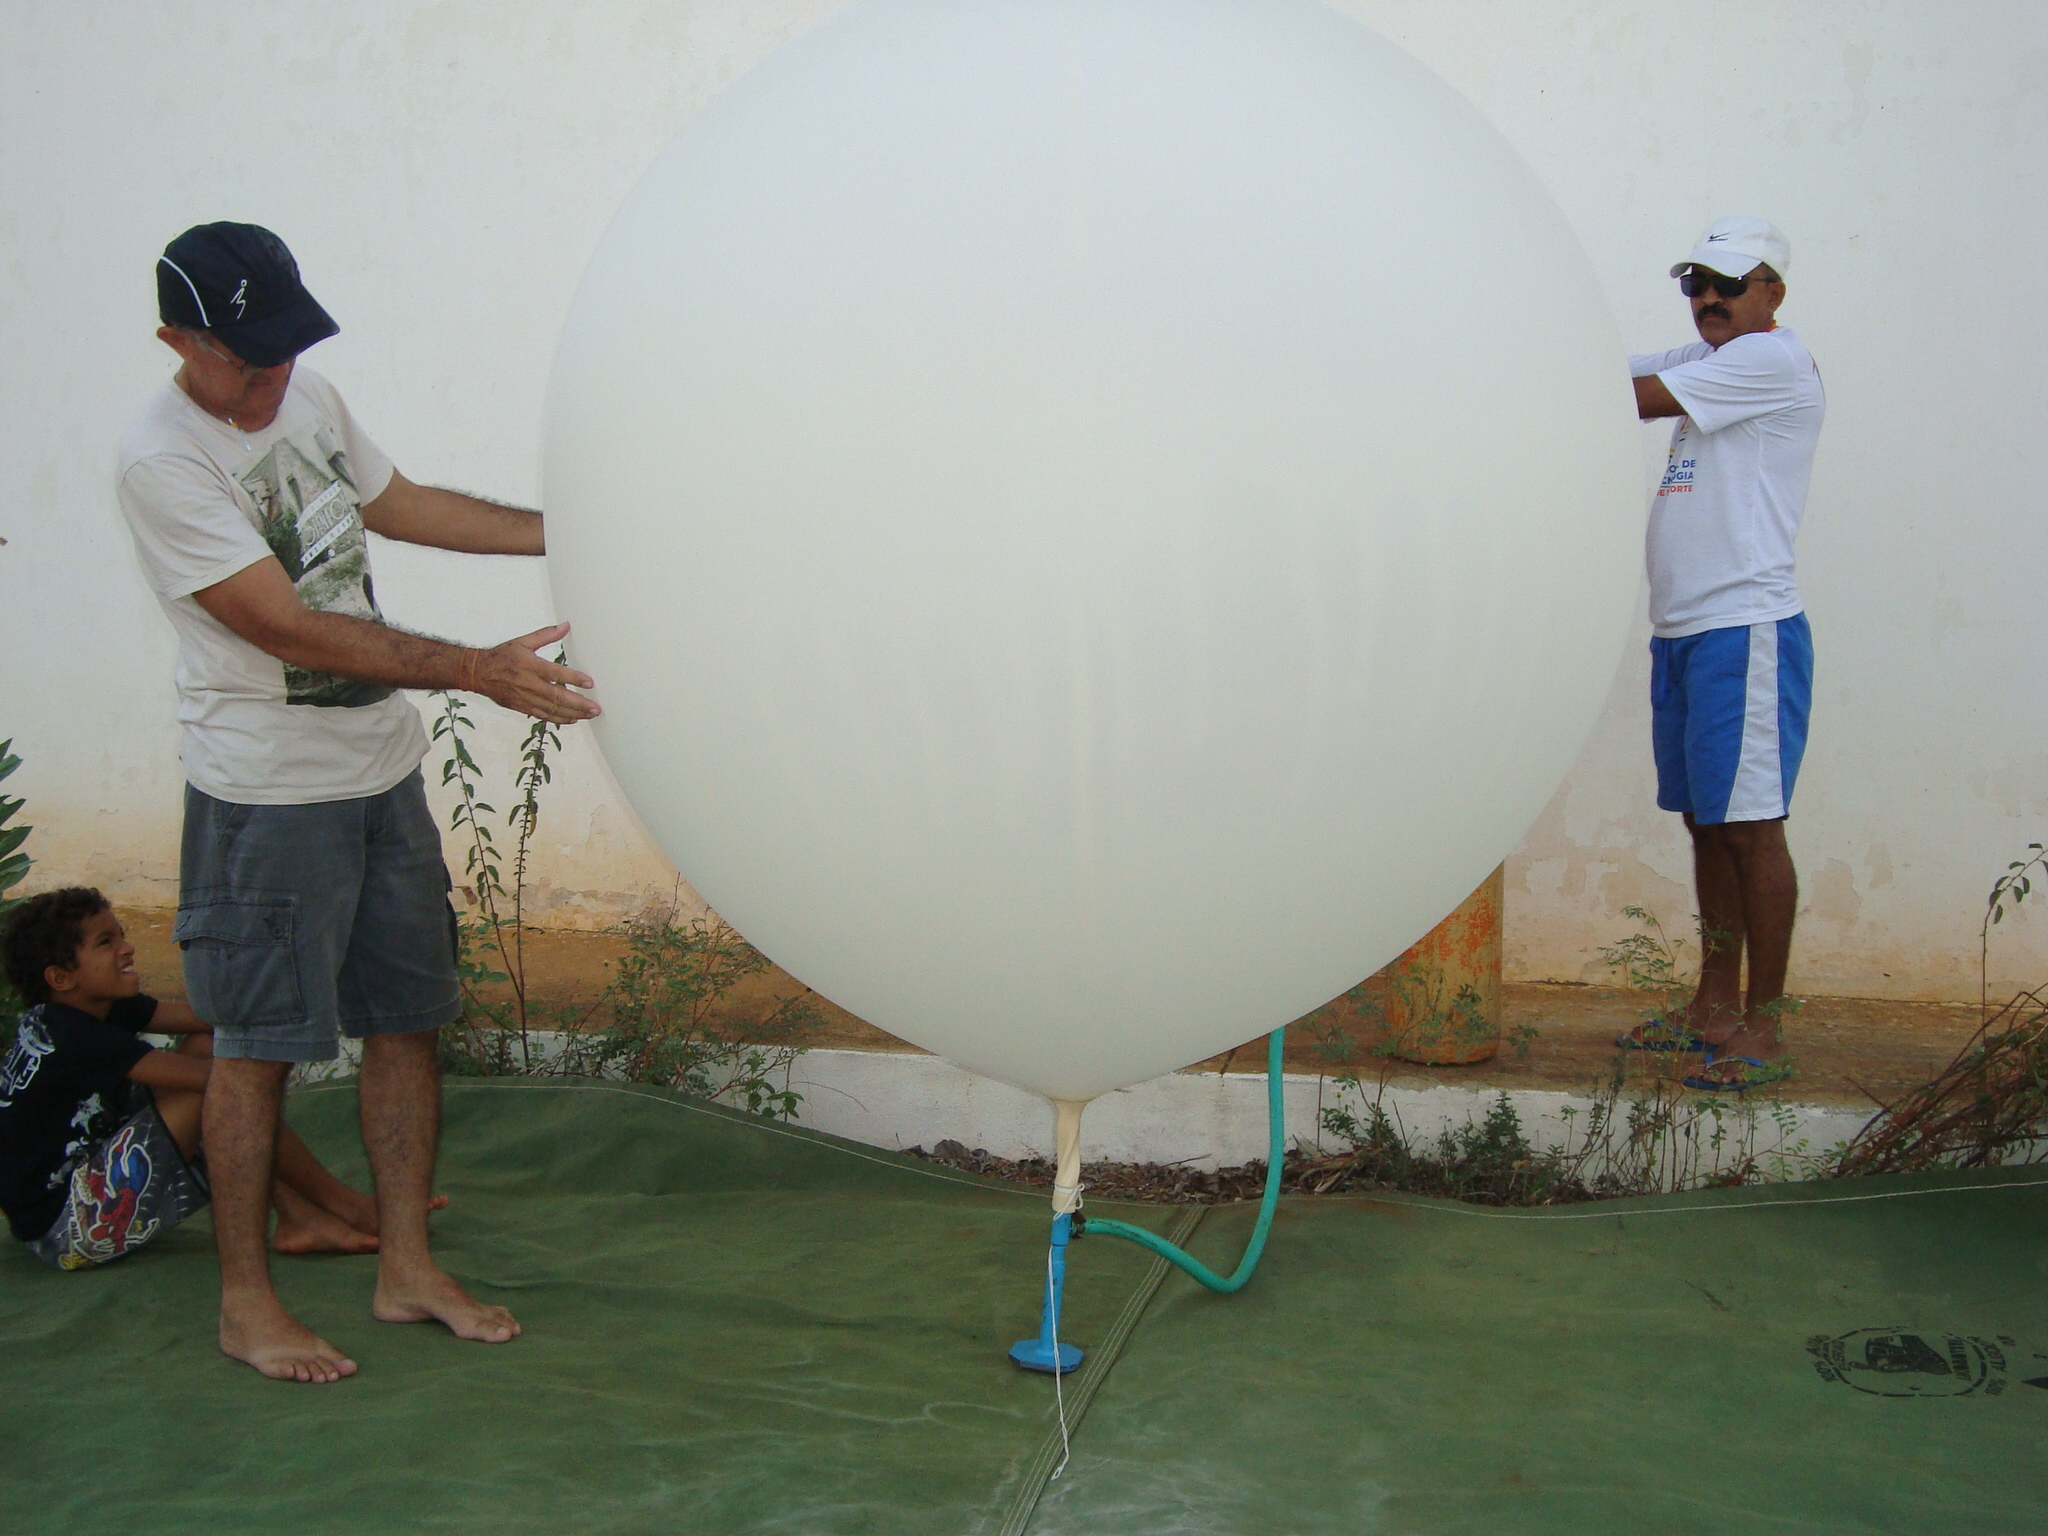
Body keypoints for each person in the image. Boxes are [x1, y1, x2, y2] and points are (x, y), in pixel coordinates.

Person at [117, 221, 601, 1383]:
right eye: (246, 358)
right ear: (177, 340)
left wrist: (580, 534)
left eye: (285, 349)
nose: (271, 375)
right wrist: (476, 669)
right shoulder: (162, 462)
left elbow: (404, 504)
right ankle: (248, 1303)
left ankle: (406, 1268)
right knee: (258, 1048)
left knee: (406, 1021)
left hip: (376, 773)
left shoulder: (308, 393)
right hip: (265, 795)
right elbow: (281, 624)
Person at [1618, 217, 1825, 1091]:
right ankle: (1712, 1007)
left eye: (1729, 284)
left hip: (1745, 628)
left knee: (1750, 827)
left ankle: (1764, 1030)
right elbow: (1608, 370)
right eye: (1694, 284)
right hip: (1687, 628)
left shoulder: (1771, 359)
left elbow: (1627, 396)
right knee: (1708, 823)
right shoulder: (1710, 357)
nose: (1709, 298)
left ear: (1772, 292)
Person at [2, 888, 387, 1270]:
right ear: (61, 977)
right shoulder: (71, 1036)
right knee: (217, 1094)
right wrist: (267, 1063)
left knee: (207, 1050)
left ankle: (299, 1218)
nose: (127, 948)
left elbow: (209, 1024)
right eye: (106, 942)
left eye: (121, 934)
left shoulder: (83, 1009)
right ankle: (345, 1206)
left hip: (84, 1178)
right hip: (68, 1230)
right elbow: (215, 1083)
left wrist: (279, 1001)